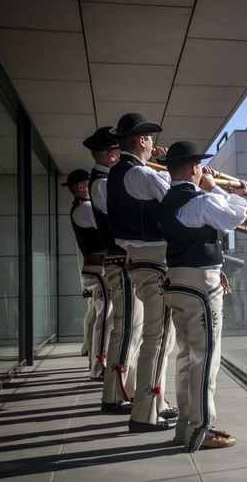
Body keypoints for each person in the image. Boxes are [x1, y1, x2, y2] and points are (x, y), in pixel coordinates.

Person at [157, 140, 247, 452]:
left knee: (185, 358)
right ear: (196, 167)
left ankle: (186, 426)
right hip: (200, 285)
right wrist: (226, 191)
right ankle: (201, 428)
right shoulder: (198, 200)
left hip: (177, 282)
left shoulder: (169, 199)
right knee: (206, 359)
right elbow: (234, 217)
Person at [107, 113, 178, 433]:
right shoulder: (140, 173)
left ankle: (152, 402)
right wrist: (184, 173)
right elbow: (177, 202)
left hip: (139, 258)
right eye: (149, 138)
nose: (152, 143)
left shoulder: (119, 171)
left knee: (156, 336)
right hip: (154, 259)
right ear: (142, 140)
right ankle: (145, 411)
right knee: (158, 338)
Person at [84, 127, 144, 413]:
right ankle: (114, 395)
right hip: (120, 261)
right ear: (111, 156)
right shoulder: (102, 184)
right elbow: (124, 212)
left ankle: (125, 391)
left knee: (132, 328)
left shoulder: (104, 180)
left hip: (123, 260)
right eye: (120, 153)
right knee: (127, 328)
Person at [63, 169, 111, 381]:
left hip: (96, 268)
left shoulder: (82, 209)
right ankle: (99, 366)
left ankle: (98, 363)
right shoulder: (86, 209)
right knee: (104, 317)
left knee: (101, 317)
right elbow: (108, 226)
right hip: (98, 269)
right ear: (83, 188)